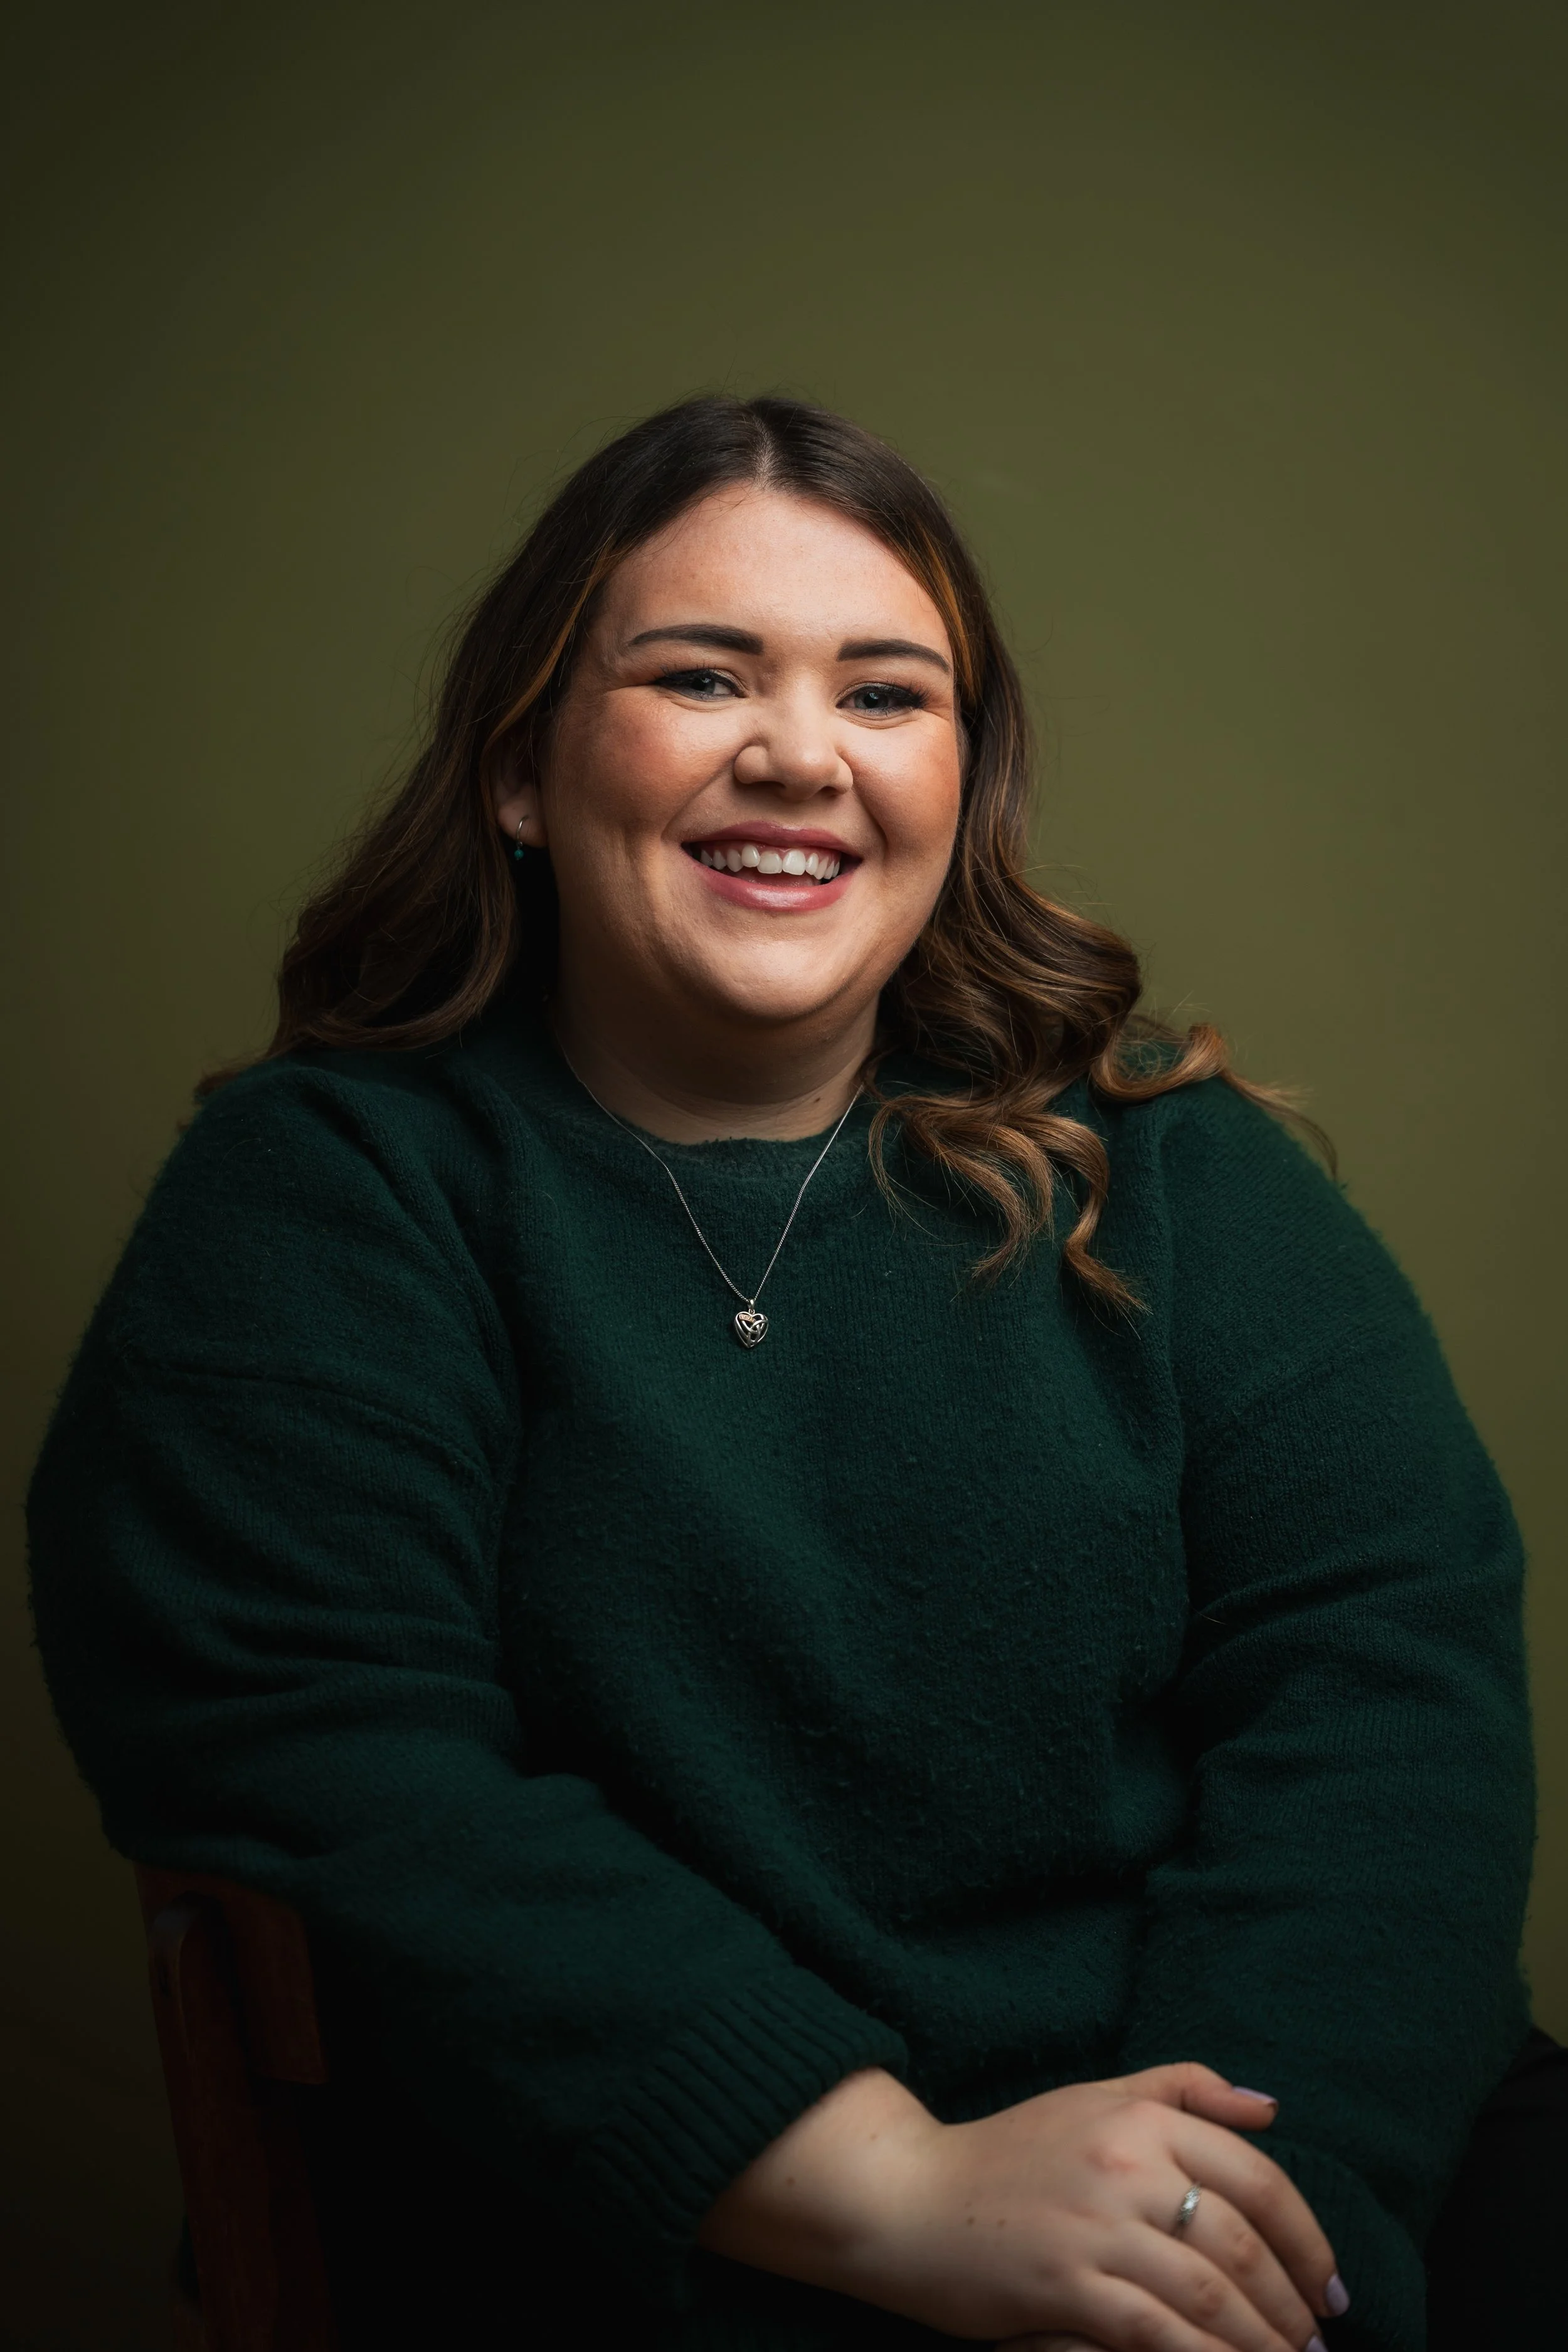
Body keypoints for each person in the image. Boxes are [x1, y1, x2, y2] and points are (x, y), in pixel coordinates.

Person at [26, 395, 1555, 2352]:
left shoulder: (1172, 1162)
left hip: (1238, 2150)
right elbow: (328, 1764)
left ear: (960, 778)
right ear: (521, 763)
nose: (799, 755)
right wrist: (891, 2186)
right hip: (661, 2206)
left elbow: (1383, 1695)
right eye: (699, 673)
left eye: (887, 694)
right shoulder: (326, 1197)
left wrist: (1216, 2233)